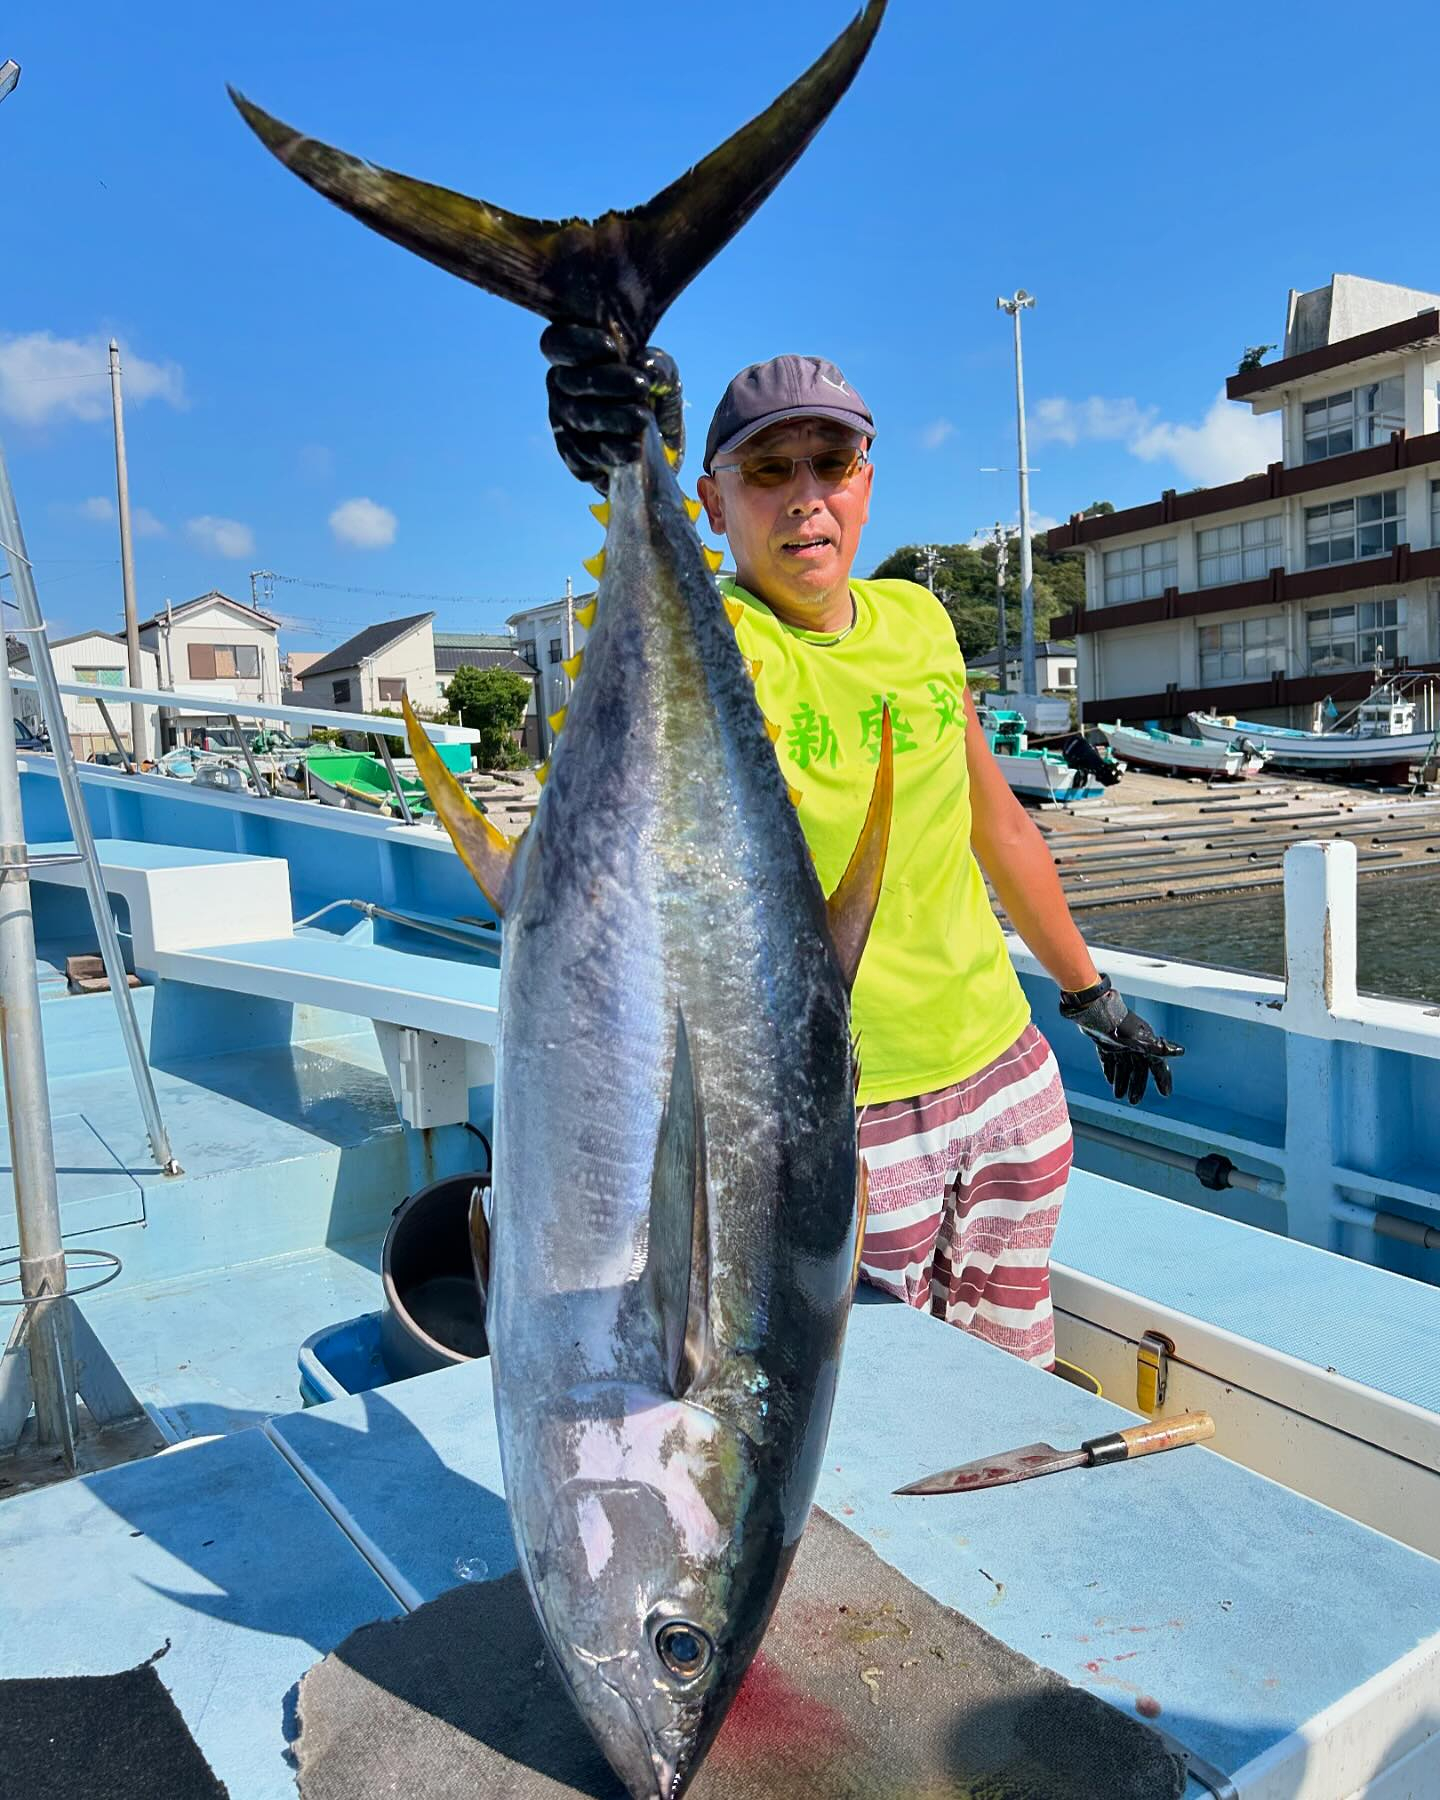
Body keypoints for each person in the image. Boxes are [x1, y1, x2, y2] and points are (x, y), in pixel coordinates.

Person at [544, 330, 1182, 1370]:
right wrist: (629, 466)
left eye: (829, 464)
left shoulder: (922, 621)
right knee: (874, 1400)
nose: (805, 497)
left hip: (1007, 1075)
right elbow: (654, 631)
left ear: (866, 486)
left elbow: (999, 824)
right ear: (714, 500)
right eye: (767, 469)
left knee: (1008, 1373)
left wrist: (1090, 996)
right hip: (846, 1119)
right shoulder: (726, 647)